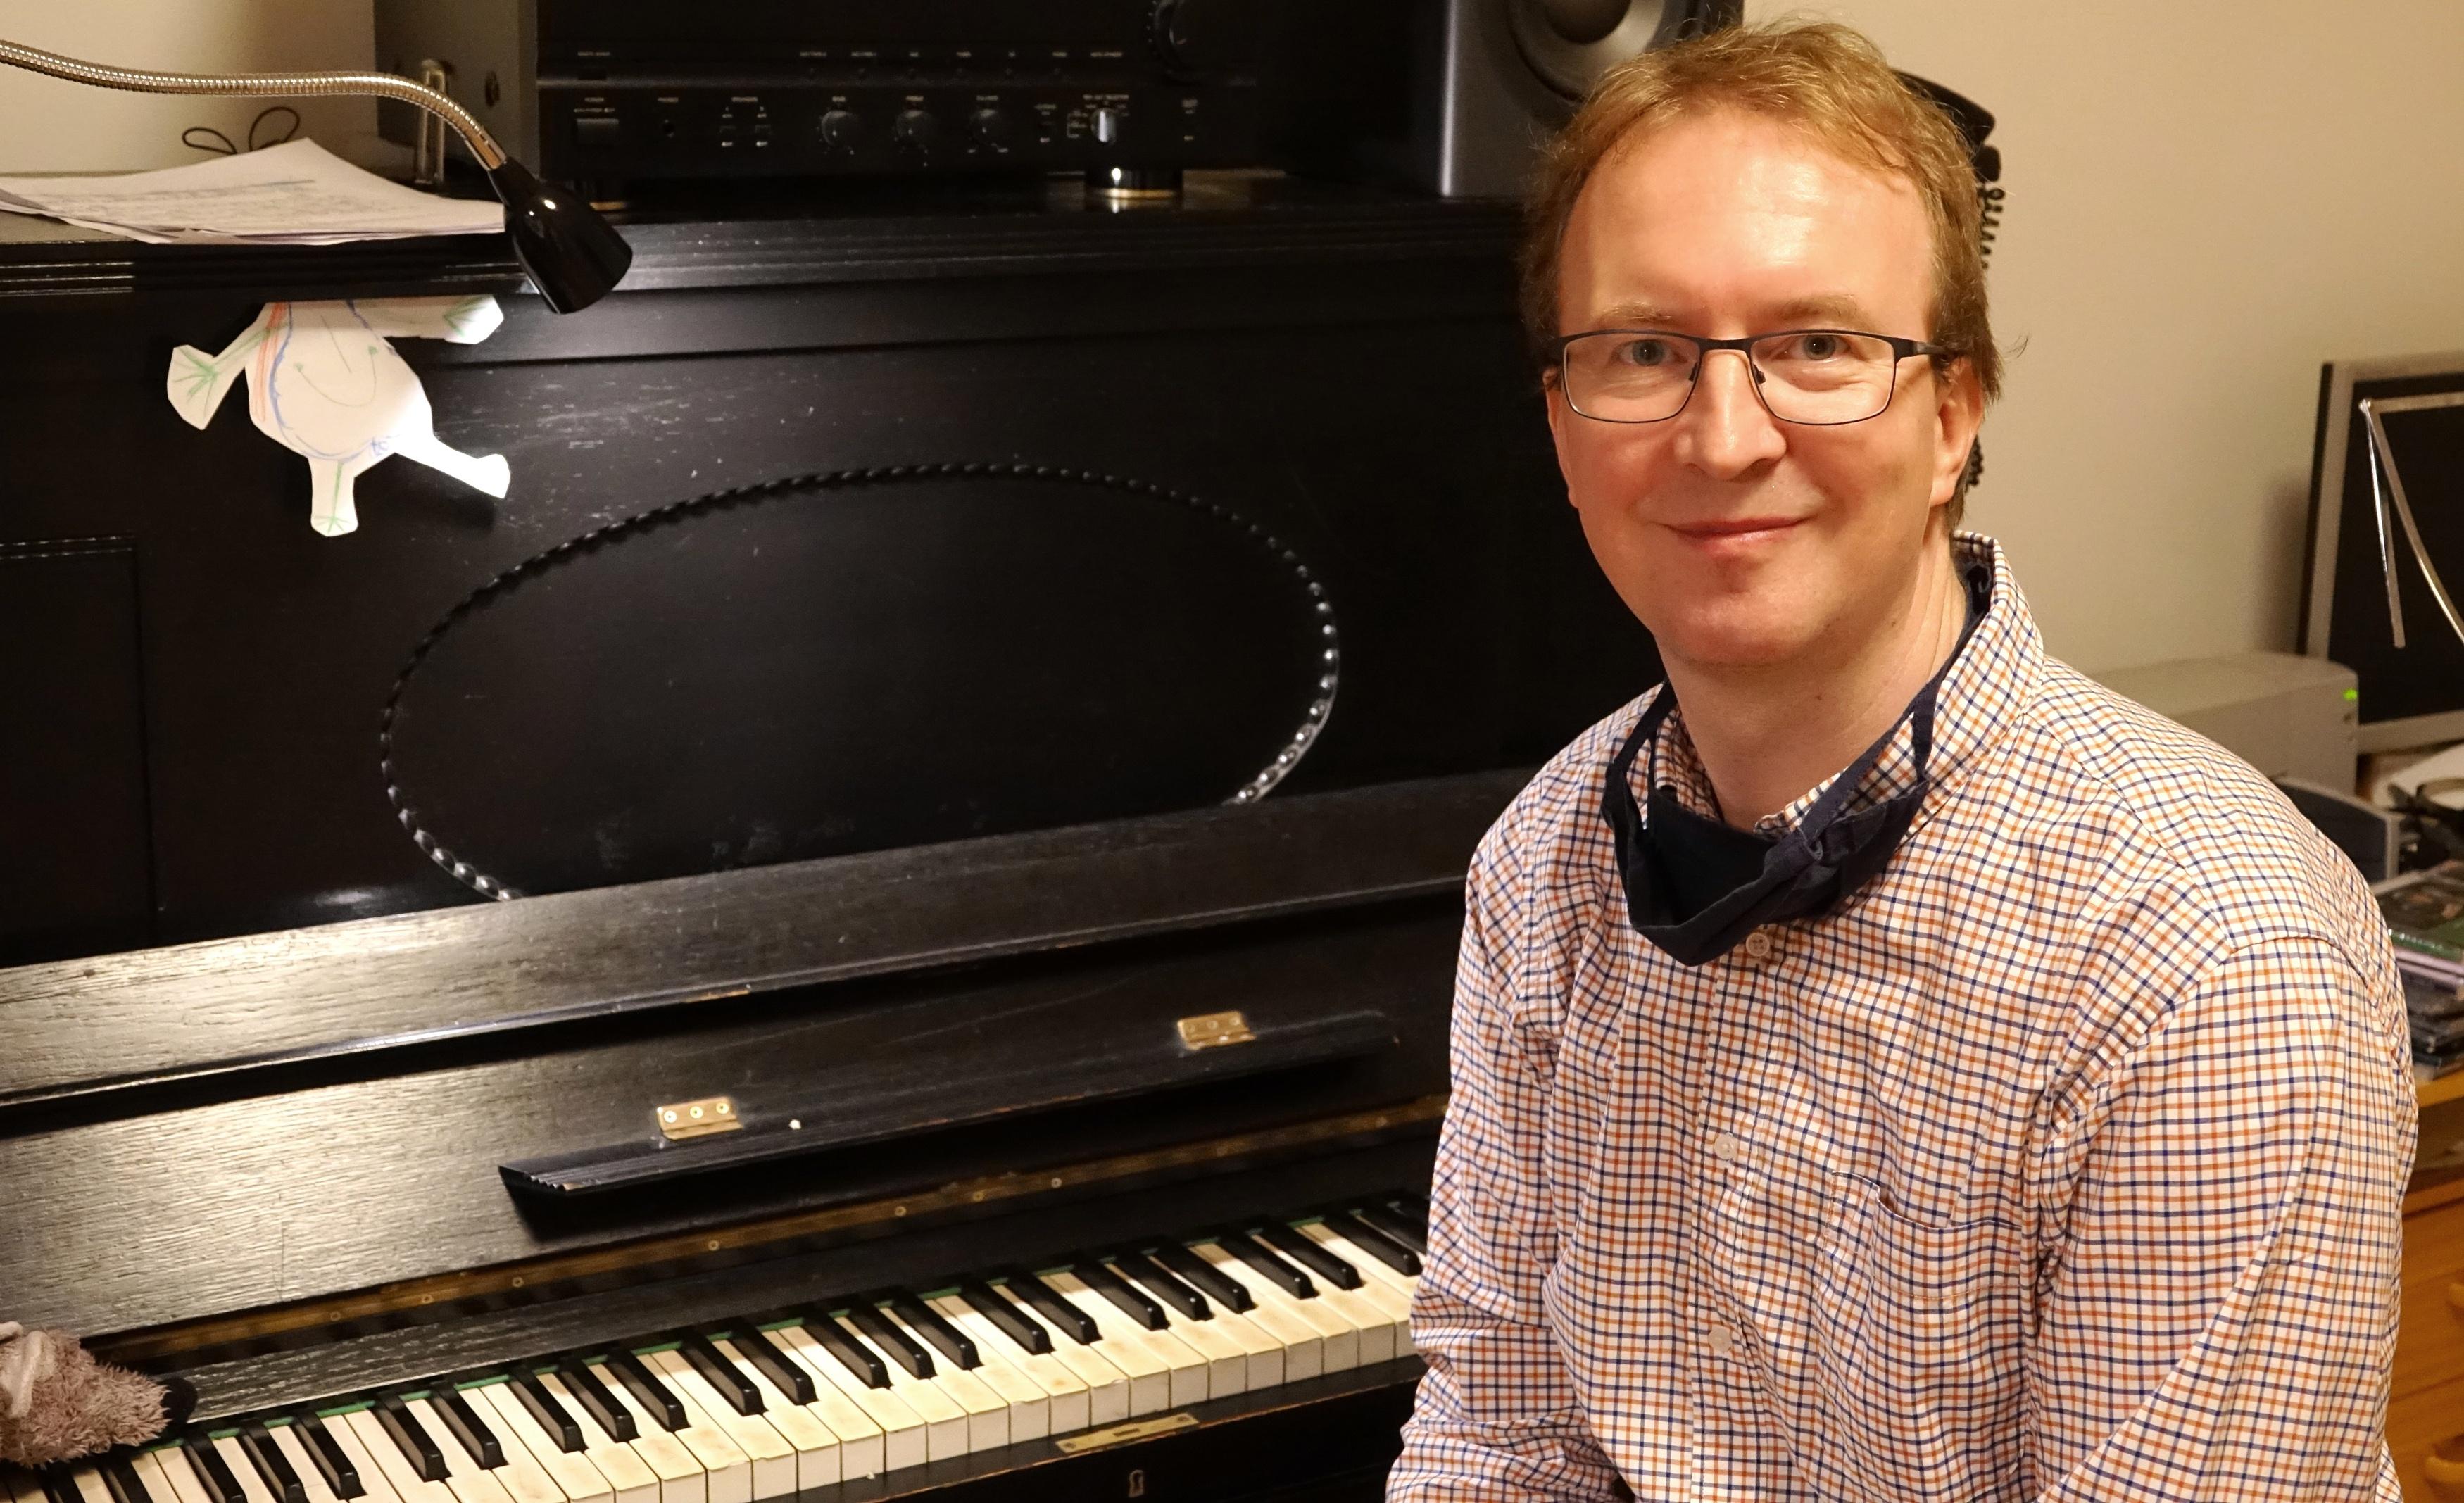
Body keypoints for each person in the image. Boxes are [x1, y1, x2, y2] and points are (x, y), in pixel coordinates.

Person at [1388, 20, 2415, 1502]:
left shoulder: (2213, 963)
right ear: (1561, 425)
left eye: (1817, 347)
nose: (1722, 438)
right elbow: (1497, 1433)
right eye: (1644, 351)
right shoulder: (1548, 858)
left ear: (1952, 416)